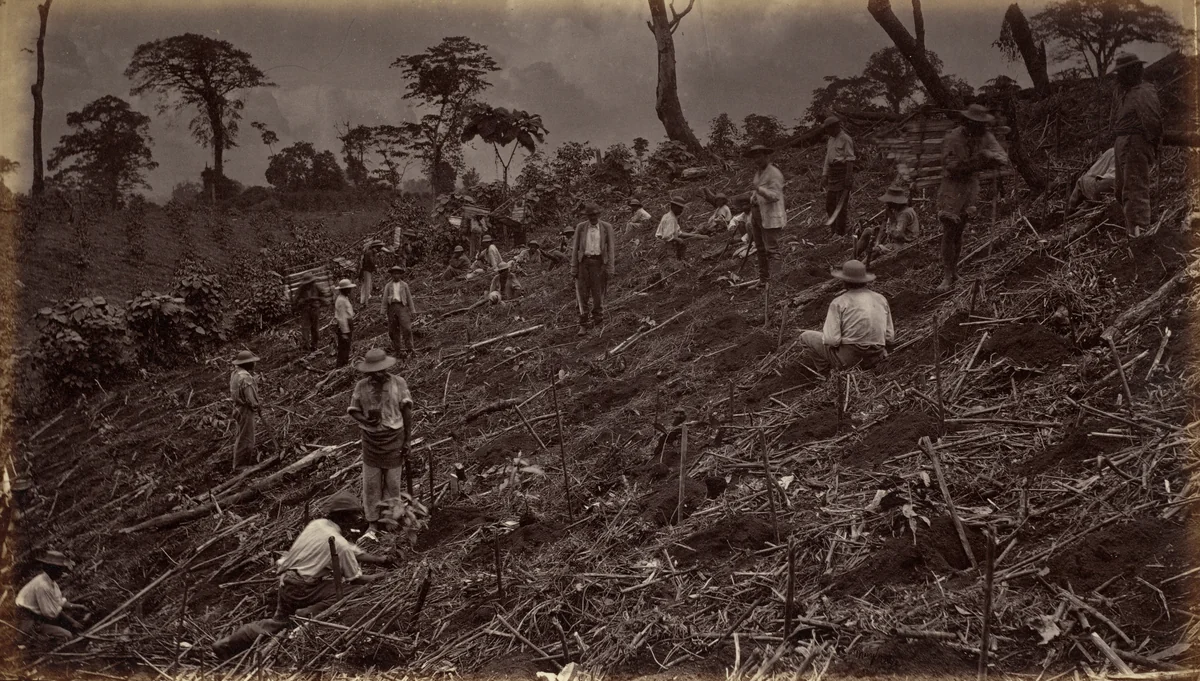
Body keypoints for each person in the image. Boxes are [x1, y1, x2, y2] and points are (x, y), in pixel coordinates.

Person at [211, 490, 393, 660]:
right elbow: (356, 578)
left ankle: (226, 645)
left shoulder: (318, 525)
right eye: (353, 515)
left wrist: (380, 560)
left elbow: (353, 551)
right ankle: (307, 613)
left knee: (277, 623)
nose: (356, 520)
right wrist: (380, 578)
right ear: (342, 517)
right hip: (302, 588)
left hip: (286, 582)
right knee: (346, 592)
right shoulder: (339, 544)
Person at [936, 103, 1009, 291]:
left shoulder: (985, 136)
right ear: (967, 123)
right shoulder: (953, 138)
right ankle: (946, 275)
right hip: (952, 186)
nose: (979, 127)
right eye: (975, 124)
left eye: (981, 124)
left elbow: (1002, 157)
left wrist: (989, 155)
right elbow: (952, 166)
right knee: (949, 230)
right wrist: (977, 163)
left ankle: (955, 271)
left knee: (959, 230)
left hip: (969, 186)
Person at [347, 349, 414, 534]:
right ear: (368, 372)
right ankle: (373, 521)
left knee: (393, 483)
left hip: (394, 439)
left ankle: (392, 519)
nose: (380, 374)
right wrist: (365, 420)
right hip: (371, 441)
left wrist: (407, 440)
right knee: (371, 484)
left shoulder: (398, 383)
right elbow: (354, 409)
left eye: (382, 370)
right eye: (375, 371)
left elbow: (407, 411)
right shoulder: (361, 386)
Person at [799, 260, 894, 372]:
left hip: (850, 361)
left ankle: (826, 373)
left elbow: (832, 340)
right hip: (876, 358)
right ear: (865, 280)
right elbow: (889, 337)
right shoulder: (881, 299)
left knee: (805, 337)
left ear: (844, 281)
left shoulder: (839, 302)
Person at [1111, 52, 1162, 237]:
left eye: (1123, 72)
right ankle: (1132, 232)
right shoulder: (1126, 93)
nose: (1119, 77)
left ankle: (1140, 236)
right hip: (1122, 142)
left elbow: (1153, 122)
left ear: (1134, 71)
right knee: (1122, 189)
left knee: (1134, 189)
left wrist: (1151, 146)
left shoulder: (1144, 92)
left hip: (1135, 143)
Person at [16, 550, 88, 642]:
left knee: (69, 619)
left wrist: (77, 606)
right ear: (51, 568)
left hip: (39, 615)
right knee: (67, 635)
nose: (62, 571)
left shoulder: (50, 581)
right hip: (29, 619)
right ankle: (37, 641)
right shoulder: (43, 586)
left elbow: (59, 601)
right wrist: (72, 622)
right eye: (60, 569)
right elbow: (52, 613)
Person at [571, 203, 616, 335]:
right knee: (582, 294)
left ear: (599, 215)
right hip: (583, 263)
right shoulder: (581, 227)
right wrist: (574, 267)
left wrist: (610, 267)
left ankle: (597, 319)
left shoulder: (607, 228)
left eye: (595, 215)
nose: (593, 218)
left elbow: (611, 249)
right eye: (590, 215)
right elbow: (575, 249)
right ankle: (583, 323)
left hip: (599, 264)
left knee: (598, 293)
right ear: (587, 216)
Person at [746, 144, 786, 282]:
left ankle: (776, 282)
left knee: (772, 250)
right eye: (755, 157)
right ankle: (764, 279)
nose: (757, 160)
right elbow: (756, 190)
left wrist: (759, 190)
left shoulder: (774, 173)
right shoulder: (759, 173)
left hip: (770, 214)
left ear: (766, 156)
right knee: (760, 248)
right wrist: (753, 196)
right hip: (758, 213)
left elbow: (775, 195)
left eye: (759, 156)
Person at [856, 185, 920, 259]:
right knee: (868, 231)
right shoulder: (896, 210)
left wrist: (892, 218)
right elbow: (884, 224)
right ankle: (852, 259)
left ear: (895, 202)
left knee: (876, 250)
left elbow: (897, 234)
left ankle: (861, 266)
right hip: (893, 237)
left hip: (904, 244)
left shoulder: (904, 214)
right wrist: (878, 240)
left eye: (888, 201)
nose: (886, 203)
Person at [822, 115, 856, 238]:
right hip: (833, 174)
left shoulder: (845, 139)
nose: (827, 132)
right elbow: (827, 159)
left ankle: (840, 233)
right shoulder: (830, 140)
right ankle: (833, 230)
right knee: (830, 205)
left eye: (828, 129)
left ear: (835, 127)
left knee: (840, 206)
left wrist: (848, 177)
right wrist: (824, 175)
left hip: (842, 173)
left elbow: (850, 159)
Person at [229, 350, 261, 468]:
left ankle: (238, 464)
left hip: (237, 408)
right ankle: (240, 466)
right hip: (245, 410)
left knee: (241, 435)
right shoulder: (246, 377)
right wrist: (256, 405)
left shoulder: (235, 373)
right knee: (247, 438)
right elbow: (250, 397)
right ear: (247, 364)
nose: (254, 364)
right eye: (252, 362)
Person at [381, 266, 417, 357]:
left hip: (402, 307)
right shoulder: (388, 286)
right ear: (392, 275)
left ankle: (410, 348)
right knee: (393, 330)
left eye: (398, 273)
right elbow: (385, 299)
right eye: (394, 273)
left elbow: (409, 298)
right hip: (392, 308)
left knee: (407, 328)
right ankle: (398, 350)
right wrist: (383, 312)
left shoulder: (404, 285)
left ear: (400, 275)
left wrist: (413, 310)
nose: (396, 275)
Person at [1068, 147, 1117, 212]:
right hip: (1123, 186)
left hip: (1110, 183)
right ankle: (1085, 205)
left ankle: (1070, 209)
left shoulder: (1112, 151)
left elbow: (1092, 173)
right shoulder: (1132, 152)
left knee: (1081, 181)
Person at [655, 195, 692, 260]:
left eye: (682, 208)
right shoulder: (671, 219)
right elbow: (666, 236)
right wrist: (678, 240)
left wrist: (694, 235)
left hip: (666, 242)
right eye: (680, 208)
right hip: (664, 244)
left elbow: (679, 233)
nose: (681, 210)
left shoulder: (671, 216)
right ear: (674, 206)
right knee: (672, 261)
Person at [293, 273, 322, 352]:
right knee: (305, 328)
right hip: (305, 310)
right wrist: (299, 304)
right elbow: (296, 299)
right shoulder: (301, 288)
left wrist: (316, 300)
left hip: (315, 309)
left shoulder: (316, 287)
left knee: (315, 328)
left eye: (311, 282)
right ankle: (306, 347)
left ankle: (314, 345)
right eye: (308, 283)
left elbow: (322, 295)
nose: (309, 284)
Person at [333, 279, 356, 368]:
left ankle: (343, 365)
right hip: (344, 326)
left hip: (347, 324)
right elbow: (342, 318)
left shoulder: (344, 298)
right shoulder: (341, 301)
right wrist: (345, 332)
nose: (350, 291)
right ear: (344, 290)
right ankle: (341, 366)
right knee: (344, 348)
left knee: (346, 347)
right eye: (348, 289)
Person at [358, 241, 380, 306]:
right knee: (367, 285)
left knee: (367, 285)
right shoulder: (369, 253)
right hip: (366, 270)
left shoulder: (372, 252)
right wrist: (375, 267)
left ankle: (364, 299)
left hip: (368, 270)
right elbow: (371, 262)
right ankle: (366, 302)